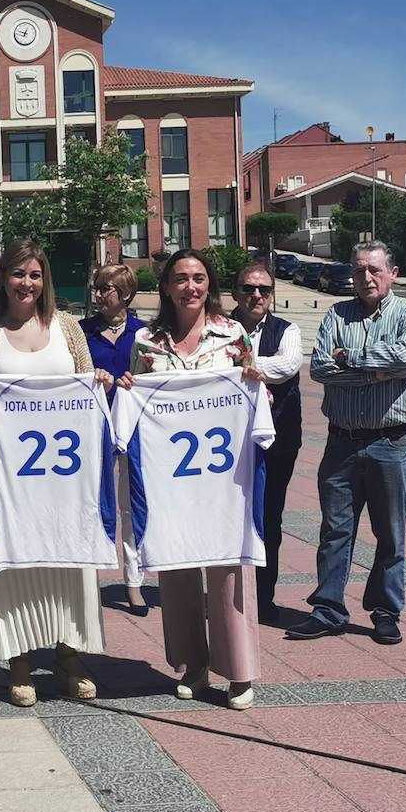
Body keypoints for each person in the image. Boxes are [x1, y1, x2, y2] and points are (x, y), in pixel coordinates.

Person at [0, 239, 110, 708]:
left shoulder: (67, 328)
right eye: (18, 274)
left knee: (67, 562)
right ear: (2, 279)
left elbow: (88, 384)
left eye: (35, 274)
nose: (27, 283)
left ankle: (68, 656)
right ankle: (20, 661)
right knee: (12, 567)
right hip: (9, 481)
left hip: (66, 479)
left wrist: (101, 382)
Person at [121, 248, 265, 710]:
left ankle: (239, 670)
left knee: (229, 567)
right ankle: (192, 665)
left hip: (223, 481)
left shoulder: (232, 335)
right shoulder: (147, 342)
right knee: (177, 567)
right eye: (180, 278)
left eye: (199, 278)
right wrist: (126, 389)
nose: (190, 287)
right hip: (172, 481)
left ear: (210, 285)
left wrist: (252, 379)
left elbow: (254, 396)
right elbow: (135, 402)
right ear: (166, 287)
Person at [289, 241, 406, 647]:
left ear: (393, 272)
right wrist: (376, 373)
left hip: (391, 443)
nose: (366, 277)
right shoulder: (336, 314)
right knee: (335, 531)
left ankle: (385, 612)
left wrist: (350, 358)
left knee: (391, 534)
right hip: (342, 444)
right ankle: (328, 609)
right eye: (359, 268)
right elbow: (320, 368)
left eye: (375, 269)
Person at [229, 262, 302, 625]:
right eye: (248, 288)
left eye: (264, 289)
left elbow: (288, 366)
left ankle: (264, 596)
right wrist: (257, 365)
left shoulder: (288, 330)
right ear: (235, 293)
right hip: (228, 442)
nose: (256, 295)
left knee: (269, 518)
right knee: (228, 518)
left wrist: (242, 364)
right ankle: (228, 598)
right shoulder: (218, 329)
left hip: (279, 438)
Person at [80, 263, 150, 617]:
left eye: (105, 288)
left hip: (134, 427)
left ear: (125, 295)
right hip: (93, 427)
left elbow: (155, 377)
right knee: (91, 503)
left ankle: (134, 582)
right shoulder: (81, 332)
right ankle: (87, 579)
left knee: (130, 505)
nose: (98, 294)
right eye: (96, 287)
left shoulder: (144, 333)